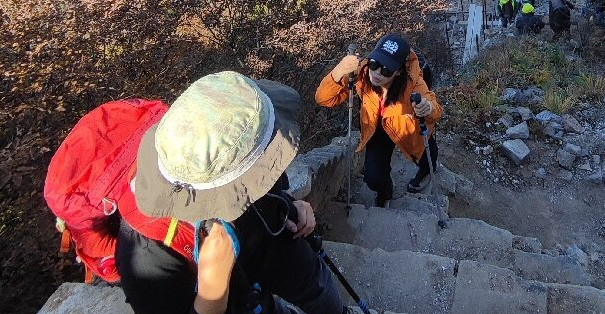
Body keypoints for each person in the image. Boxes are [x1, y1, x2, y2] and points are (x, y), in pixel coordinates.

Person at [120, 71, 345, 314]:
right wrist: (211, 296)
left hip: (275, 232)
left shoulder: (238, 146)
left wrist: (291, 204)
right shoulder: (145, 254)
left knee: (315, 284)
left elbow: (265, 185)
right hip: (237, 291)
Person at [316, 34, 441, 206]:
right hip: (376, 127)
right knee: (373, 177)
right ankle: (385, 191)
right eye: (374, 63)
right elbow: (324, 99)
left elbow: (435, 111)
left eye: (386, 70)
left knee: (426, 154)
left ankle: (427, 170)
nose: (377, 73)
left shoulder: (414, 83)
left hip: (408, 127)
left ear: (398, 71)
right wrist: (338, 71)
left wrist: (428, 108)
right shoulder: (361, 74)